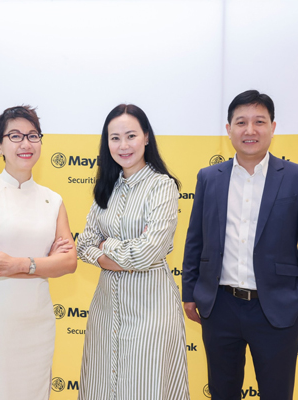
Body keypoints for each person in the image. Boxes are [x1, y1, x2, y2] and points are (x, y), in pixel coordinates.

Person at [182, 90, 298, 400]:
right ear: (228, 129)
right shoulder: (209, 178)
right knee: (222, 393)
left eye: (259, 121)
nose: (250, 130)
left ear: (273, 127)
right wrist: (190, 293)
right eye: (241, 122)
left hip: (278, 309)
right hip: (219, 307)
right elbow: (196, 239)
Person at [0, 105, 77, 400]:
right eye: (15, 136)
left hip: (36, 322)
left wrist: (15, 263)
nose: (25, 143)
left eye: (32, 135)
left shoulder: (53, 200)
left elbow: (69, 262)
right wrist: (44, 262)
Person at [77, 104, 190, 400]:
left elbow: (147, 253)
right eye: (115, 138)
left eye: (131, 136)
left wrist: (106, 246)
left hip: (150, 311)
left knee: (146, 389)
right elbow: (83, 243)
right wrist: (112, 254)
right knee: (101, 388)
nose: (123, 145)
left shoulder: (161, 186)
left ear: (146, 137)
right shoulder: (107, 187)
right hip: (105, 312)